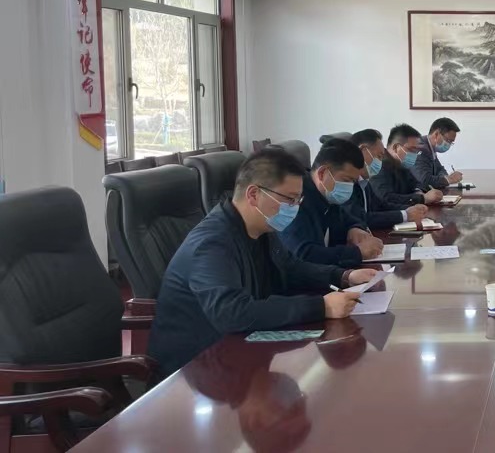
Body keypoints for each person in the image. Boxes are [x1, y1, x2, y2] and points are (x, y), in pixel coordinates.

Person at [149, 149, 380, 378]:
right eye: (289, 199)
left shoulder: (261, 227)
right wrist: (322, 306)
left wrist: (343, 276)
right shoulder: (212, 243)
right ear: (253, 194)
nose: (295, 208)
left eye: (298, 200)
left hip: (239, 351)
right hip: (195, 372)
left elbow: (291, 268)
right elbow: (232, 312)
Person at [280, 139, 383, 266]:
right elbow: (303, 254)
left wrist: (355, 228)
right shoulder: (295, 199)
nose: (349, 187)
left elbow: (349, 218)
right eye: (346, 180)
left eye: (353, 182)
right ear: (322, 173)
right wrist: (357, 253)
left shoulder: (327, 195)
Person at [346, 128, 428, 230]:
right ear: (363, 151)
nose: (380, 162)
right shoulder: (347, 183)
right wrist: (405, 215)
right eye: (379, 156)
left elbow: (381, 205)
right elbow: (360, 218)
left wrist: (410, 209)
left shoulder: (363, 181)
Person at [371, 124, 444, 209]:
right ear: (396, 148)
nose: (415, 154)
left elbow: (417, 183)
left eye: (417, 151)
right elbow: (386, 198)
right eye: (412, 149)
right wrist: (422, 198)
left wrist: (418, 191)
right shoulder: (378, 166)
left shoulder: (401, 164)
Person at [412, 118, 463, 190]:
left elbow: (440, 169)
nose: (449, 144)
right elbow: (424, 180)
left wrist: (444, 178)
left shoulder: (430, 148)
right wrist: (448, 180)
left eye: (451, 142)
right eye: (448, 140)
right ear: (436, 134)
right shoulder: (419, 148)